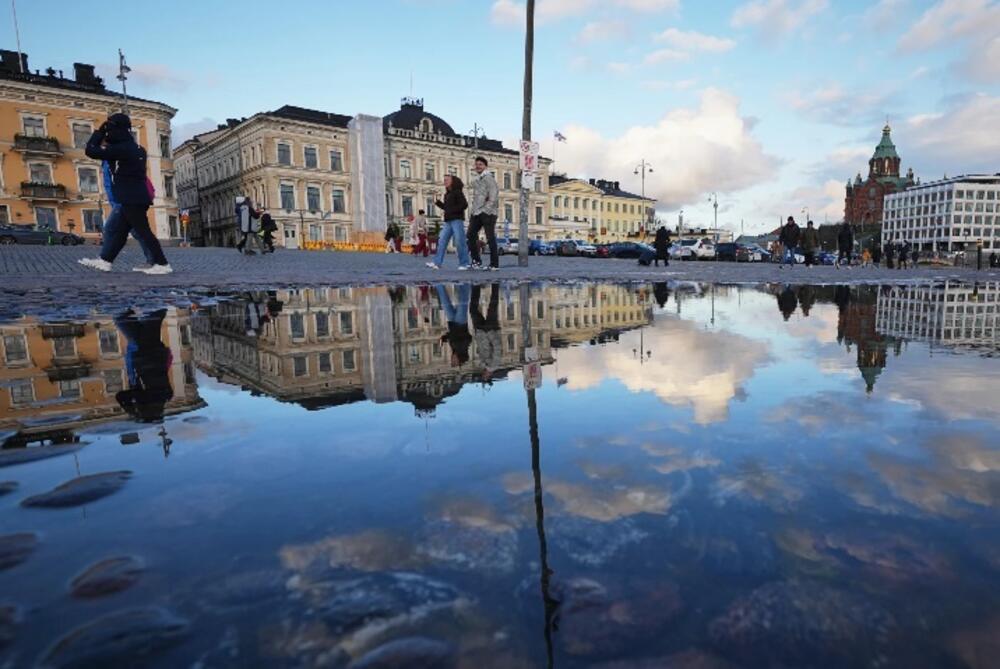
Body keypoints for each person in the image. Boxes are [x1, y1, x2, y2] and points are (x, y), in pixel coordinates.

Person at [78, 113, 172, 274]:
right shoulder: (137, 149)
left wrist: (99, 133)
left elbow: (90, 151)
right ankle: (105, 261)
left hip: (130, 197)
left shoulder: (120, 149)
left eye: (110, 128)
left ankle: (162, 264)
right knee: (121, 233)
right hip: (136, 196)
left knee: (143, 231)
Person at [114, 309, 173, 423]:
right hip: (141, 353)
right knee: (121, 319)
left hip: (156, 353)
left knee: (152, 320)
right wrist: (131, 411)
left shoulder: (166, 396)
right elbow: (120, 396)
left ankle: (157, 305)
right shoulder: (143, 398)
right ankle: (156, 304)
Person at [427, 175, 470, 270]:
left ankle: (464, 263)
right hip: (448, 221)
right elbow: (446, 208)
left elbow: (464, 205)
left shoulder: (458, 192)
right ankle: (437, 263)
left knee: (459, 241)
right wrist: (438, 203)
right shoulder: (447, 194)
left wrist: (452, 210)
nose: (445, 181)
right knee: (441, 241)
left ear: (453, 181)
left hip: (457, 220)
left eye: (447, 180)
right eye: (444, 180)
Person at [467, 157, 500, 270]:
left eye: (480, 164)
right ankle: (476, 261)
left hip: (488, 213)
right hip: (477, 212)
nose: (478, 166)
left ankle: (494, 264)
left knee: (490, 238)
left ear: (485, 166)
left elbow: (494, 194)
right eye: (476, 164)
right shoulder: (478, 179)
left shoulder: (489, 178)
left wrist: (487, 209)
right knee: (470, 235)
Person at [471, 283, 501, 383]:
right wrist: (490, 333)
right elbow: (497, 347)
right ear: (488, 376)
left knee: (473, 310)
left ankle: (476, 286)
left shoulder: (483, 364)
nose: (482, 374)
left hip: (480, 331)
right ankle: (495, 285)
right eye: (484, 377)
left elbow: (480, 347)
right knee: (492, 306)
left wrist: (477, 334)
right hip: (490, 329)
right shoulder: (494, 365)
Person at [436, 283, 471, 366]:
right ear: (459, 358)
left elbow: (452, 335)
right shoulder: (463, 348)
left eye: (452, 361)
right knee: (462, 301)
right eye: (454, 361)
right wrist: (450, 338)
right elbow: (468, 337)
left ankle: (438, 285)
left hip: (452, 322)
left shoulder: (454, 348)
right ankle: (465, 283)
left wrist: (444, 338)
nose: (452, 359)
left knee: (445, 303)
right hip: (460, 322)